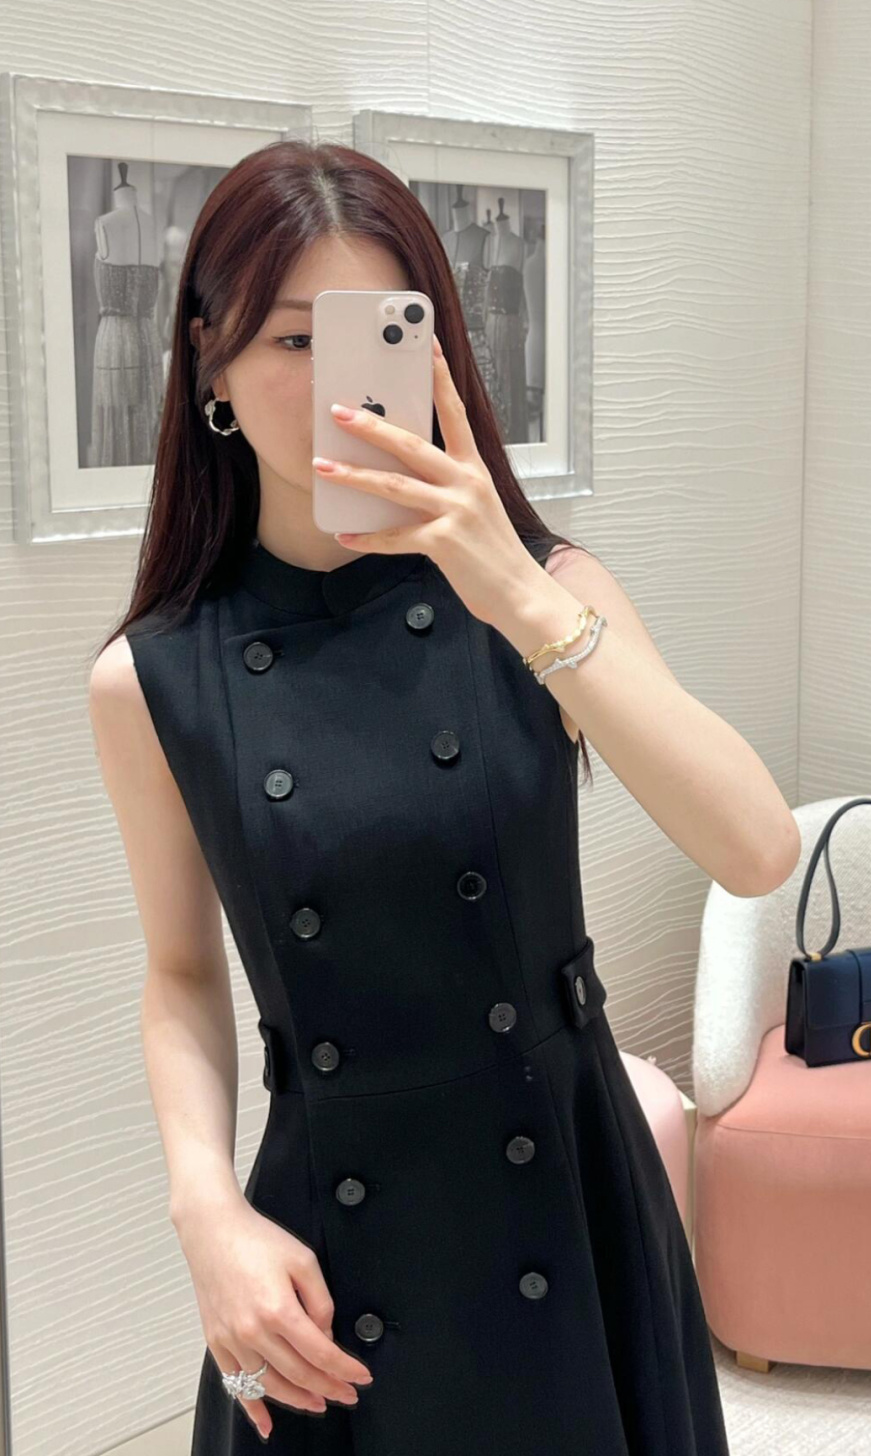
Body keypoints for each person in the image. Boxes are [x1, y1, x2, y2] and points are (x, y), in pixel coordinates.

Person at [89, 137, 798, 1453]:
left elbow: (757, 849)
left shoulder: (545, 594)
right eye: (292, 339)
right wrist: (204, 1210)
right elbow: (180, 974)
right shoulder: (154, 679)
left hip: (563, 1187)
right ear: (209, 364)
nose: (335, 384)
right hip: (329, 1234)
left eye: (373, 336)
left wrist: (513, 588)